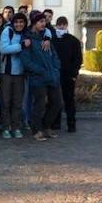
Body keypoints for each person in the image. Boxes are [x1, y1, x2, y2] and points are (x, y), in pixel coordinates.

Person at [20, 13, 63, 141]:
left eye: (44, 21)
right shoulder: (27, 39)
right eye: (40, 22)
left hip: (52, 76)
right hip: (38, 78)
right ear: (34, 23)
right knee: (39, 105)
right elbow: (26, 61)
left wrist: (56, 68)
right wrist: (39, 71)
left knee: (57, 103)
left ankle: (46, 126)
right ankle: (36, 130)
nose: (43, 24)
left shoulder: (46, 37)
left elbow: (54, 54)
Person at [0, 13, 28, 139]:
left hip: (21, 73)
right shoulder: (7, 31)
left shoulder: (27, 33)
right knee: (5, 102)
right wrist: (21, 46)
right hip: (6, 72)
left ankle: (16, 127)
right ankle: (6, 127)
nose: (19, 24)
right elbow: (4, 49)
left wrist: (47, 38)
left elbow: (46, 32)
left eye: (22, 22)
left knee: (17, 102)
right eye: (16, 22)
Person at [52, 16, 83, 132]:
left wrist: (74, 74)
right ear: (56, 26)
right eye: (59, 25)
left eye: (63, 25)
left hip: (68, 76)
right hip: (55, 74)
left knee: (69, 100)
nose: (61, 27)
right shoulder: (52, 40)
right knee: (55, 99)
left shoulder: (73, 41)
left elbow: (78, 59)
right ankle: (56, 123)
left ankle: (71, 123)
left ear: (66, 26)